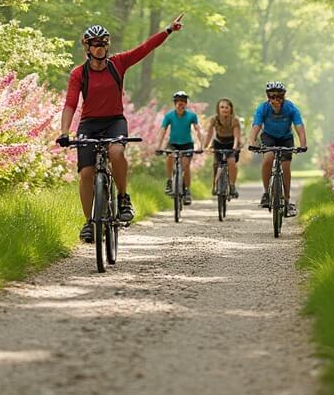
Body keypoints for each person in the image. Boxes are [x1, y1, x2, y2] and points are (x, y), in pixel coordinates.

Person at [57, 14, 184, 243]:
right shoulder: (79, 73)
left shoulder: (118, 63)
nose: (100, 47)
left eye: (104, 43)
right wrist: (65, 132)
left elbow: (144, 48)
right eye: (95, 43)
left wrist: (168, 30)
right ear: (87, 46)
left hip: (115, 121)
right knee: (86, 173)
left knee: (116, 152)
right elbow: (70, 104)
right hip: (89, 124)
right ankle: (89, 222)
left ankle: (124, 199)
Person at [246, 81, 307, 218]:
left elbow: (299, 127)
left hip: (286, 137)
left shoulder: (291, 108)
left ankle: (286, 200)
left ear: (283, 97)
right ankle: (267, 194)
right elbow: (256, 126)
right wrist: (251, 142)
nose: (275, 100)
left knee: (285, 166)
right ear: (268, 97)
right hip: (268, 136)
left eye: (279, 97)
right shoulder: (263, 108)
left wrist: (303, 144)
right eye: (272, 97)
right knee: (268, 158)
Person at [156, 90, 203, 205]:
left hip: (187, 144)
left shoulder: (192, 115)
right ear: (174, 103)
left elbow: (197, 130)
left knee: (185, 167)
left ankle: (187, 191)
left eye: (183, 101)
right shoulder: (169, 116)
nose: (180, 103)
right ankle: (169, 181)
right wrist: (159, 146)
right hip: (173, 144)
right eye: (178, 101)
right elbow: (163, 130)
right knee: (169, 158)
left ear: (186, 103)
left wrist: (201, 145)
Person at [203, 97, 242, 199]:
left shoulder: (235, 120)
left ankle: (232, 185)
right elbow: (210, 133)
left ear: (231, 109)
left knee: (231, 162)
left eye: (227, 107)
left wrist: (234, 148)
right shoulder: (214, 119)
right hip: (219, 142)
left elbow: (237, 136)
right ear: (218, 109)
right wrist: (205, 146)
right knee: (216, 164)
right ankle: (215, 185)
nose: (224, 109)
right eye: (222, 107)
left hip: (232, 143)